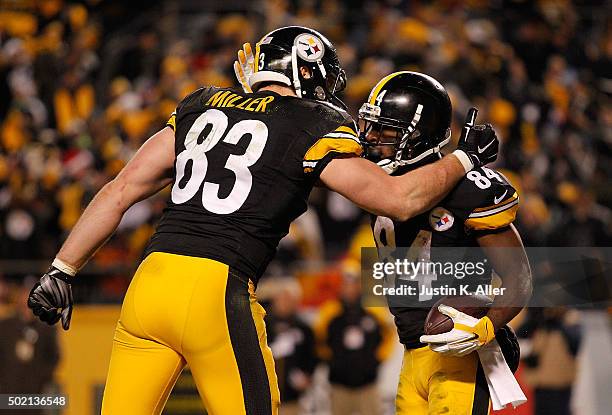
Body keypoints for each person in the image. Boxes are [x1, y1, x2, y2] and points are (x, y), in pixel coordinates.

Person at [27, 27, 499, 415]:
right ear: (309, 76)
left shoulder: (201, 104)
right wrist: (464, 156)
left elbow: (121, 189)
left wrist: (62, 269)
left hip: (148, 284)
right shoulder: (312, 123)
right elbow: (397, 199)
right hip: (215, 287)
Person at [360, 71, 532, 414]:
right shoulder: (374, 182)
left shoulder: (469, 189)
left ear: (419, 136)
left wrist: (484, 326)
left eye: (387, 130)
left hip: (458, 356)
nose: (373, 139)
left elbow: (520, 279)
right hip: (411, 353)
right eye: (372, 127)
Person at [314, 262, 395, 415]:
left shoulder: (374, 309)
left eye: (354, 282)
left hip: (368, 384)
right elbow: (318, 340)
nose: (350, 287)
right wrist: (331, 360)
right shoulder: (329, 311)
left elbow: (389, 335)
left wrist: (377, 359)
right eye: (346, 283)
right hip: (339, 385)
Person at [0, 277, 60, 415]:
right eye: (26, 293)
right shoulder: (5, 326)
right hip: (7, 393)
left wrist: (40, 377)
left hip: (34, 395)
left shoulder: (46, 328)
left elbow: (54, 358)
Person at [266, 281, 317, 415]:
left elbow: (312, 355)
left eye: (289, 299)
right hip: (265, 396)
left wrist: (307, 376)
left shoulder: (303, 328)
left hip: (292, 397)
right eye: (282, 298)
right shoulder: (263, 324)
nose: (284, 303)